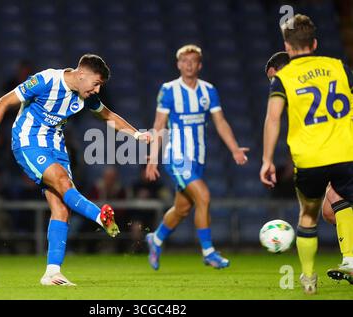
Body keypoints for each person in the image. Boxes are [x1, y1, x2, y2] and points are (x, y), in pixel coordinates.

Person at [0, 54, 151, 286]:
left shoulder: (84, 96)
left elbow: (108, 116)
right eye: (96, 83)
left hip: (56, 147)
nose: (97, 90)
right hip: (28, 141)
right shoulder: (46, 80)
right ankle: (100, 216)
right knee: (63, 181)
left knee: (61, 209)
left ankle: (52, 273)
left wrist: (137, 135)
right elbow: (2, 103)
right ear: (82, 75)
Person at [260, 14, 353, 294]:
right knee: (336, 205)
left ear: (287, 47)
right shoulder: (338, 67)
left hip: (311, 159)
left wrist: (266, 160)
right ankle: (349, 258)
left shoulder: (285, 78)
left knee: (310, 214)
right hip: (344, 153)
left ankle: (308, 279)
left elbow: (273, 119)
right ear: (314, 42)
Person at [145, 44, 249, 270]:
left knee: (182, 209)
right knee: (204, 196)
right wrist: (153, 159)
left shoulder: (208, 90)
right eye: (184, 61)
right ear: (178, 64)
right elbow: (159, 125)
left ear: (199, 65)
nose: (189, 65)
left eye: (193, 61)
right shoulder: (169, 90)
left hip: (198, 158)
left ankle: (156, 239)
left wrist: (235, 149)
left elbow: (220, 122)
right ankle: (209, 252)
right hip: (177, 157)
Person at [265, 51, 348, 226]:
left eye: (274, 79)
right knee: (330, 212)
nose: (274, 85)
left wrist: (267, 160)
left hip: (344, 149)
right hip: (334, 152)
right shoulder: (302, 97)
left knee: (331, 201)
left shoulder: (310, 86)